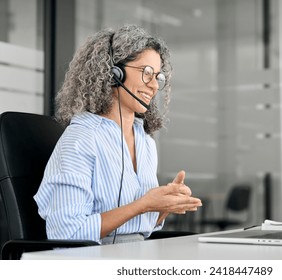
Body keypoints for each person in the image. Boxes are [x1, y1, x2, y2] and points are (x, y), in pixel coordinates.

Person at [34, 24, 202, 245]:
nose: (153, 85)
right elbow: (66, 234)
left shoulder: (145, 143)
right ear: (114, 73)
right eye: (146, 73)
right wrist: (143, 204)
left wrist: (163, 206)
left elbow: (142, 229)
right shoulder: (80, 141)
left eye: (158, 77)